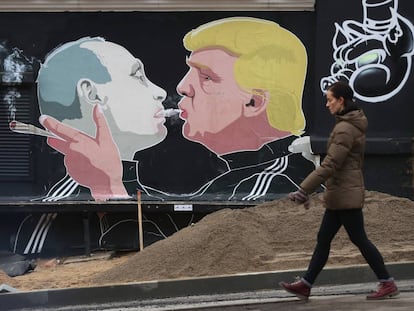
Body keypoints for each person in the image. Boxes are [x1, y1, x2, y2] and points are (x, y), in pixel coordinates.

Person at [279, 81, 399, 300]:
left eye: (330, 100)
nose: (327, 104)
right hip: (340, 193)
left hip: (346, 193)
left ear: (341, 101)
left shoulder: (345, 128)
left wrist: (304, 189)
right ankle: (306, 284)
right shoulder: (348, 124)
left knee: (359, 239)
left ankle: (387, 282)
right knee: (324, 238)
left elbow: (331, 163)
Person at [37, 37, 168, 200]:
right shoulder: (56, 212)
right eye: (138, 75)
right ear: (92, 93)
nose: (161, 92)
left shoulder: (148, 199)